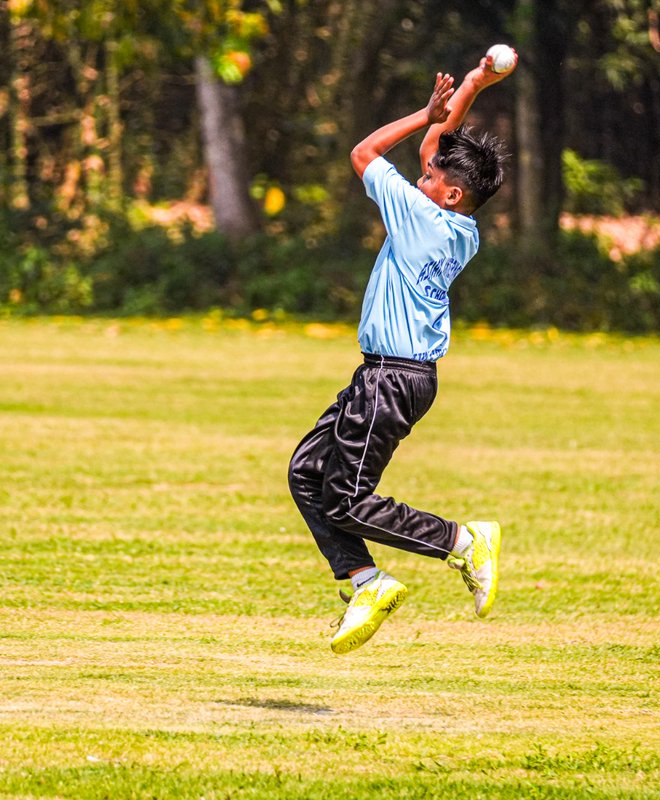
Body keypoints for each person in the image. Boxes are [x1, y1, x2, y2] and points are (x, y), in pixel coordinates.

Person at [288, 52, 516, 655]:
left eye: (430, 180)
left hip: (391, 379)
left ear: (450, 193)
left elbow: (364, 154)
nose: (420, 179)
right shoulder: (456, 223)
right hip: (388, 375)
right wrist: (470, 86)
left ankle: (463, 542)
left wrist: (423, 113)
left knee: (345, 497)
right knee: (307, 474)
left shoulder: (419, 215)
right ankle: (366, 580)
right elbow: (434, 155)